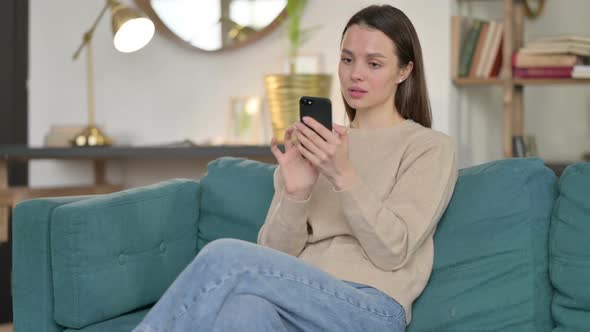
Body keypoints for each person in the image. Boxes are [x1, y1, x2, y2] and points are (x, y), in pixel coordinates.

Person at [133, 4, 457, 332]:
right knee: (244, 310)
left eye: (374, 63)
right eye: (347, 59)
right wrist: (296, 193)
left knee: (224, 256)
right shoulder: (313, 144)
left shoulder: (429, 147)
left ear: (404, 71)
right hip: (295, 298)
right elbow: (273, 254)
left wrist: (343, 173)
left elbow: (392, 253)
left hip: (369, 307)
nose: (355, 74)